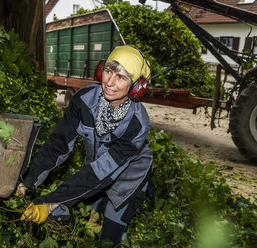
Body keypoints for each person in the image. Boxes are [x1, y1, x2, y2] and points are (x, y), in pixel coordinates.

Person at [17, 45, 155, 247]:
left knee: (109, 235)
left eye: (121, 77)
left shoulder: (137, 124)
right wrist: (27, 183)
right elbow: (58, 145)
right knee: (87, 224)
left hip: (129, 176)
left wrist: (51, 201)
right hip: (95, 169)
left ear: (136, 87)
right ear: (100, 70)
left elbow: (104, 172)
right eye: (108, 71)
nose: (109, 82)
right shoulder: (83, 100)